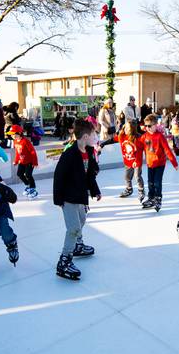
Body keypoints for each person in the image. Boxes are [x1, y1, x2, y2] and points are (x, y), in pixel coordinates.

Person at [52, 119, 101, 280]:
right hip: (68, 197)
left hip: (80, 196)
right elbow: (58, 177)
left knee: (82, 220)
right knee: (73, 228)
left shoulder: (88, 152)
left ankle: (77, 245)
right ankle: (64, 260)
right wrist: (59, 200)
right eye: (94, 134)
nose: (96, 136)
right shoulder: (69, 154)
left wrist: (95, 191)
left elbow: (90, 175)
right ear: (86, 136)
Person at [139, 114, 178, 211]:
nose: (147, 128)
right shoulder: (144, 136)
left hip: (160, 164)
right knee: (150, 182)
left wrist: (174, 163)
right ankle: (151, 198)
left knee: (157, 182)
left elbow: (167, 150)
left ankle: (158, 198)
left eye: (149, 126)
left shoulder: (160, 136)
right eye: (146, 126)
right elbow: (138, 148)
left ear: (155, 125)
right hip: (150, 163)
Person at [100, 120, 145, 201]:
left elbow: (141, 151)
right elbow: (112, 140)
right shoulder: (122, 136)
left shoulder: (138, 138)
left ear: (133, 130)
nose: (126, 130)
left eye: (129, 129)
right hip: (128, 161)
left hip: (137, 162)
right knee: (127, 177)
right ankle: (129, 189)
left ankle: (141, 190)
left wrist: (137, 161)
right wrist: (102, 144)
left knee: (137, 176)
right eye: (126, 128)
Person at [7, 123, 39, 199]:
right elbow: (18, 152)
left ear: (19, 133)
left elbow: (33, 151)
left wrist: (35, 162)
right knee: (19, 174)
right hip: (22, 162)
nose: (12, 136)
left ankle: (33, 188)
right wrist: (16, 160)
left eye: (14, 134)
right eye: (11, 134)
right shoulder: (15, 141)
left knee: (28, 175)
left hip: (29, 161)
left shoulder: (25, 141)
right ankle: (28, 185)